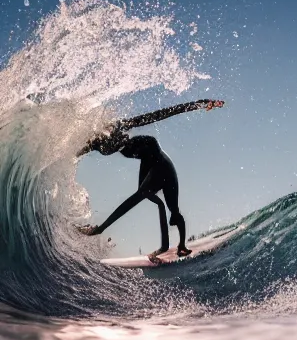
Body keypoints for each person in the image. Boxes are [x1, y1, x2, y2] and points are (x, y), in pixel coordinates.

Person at [77, 99, 225, 262]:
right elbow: (79, 151)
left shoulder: (120, 126)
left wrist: (201, 104)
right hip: (149, 162)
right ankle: (164, 246)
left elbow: (160, 114)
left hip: (161, 162)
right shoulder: (97, 143)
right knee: (150, 198)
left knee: (172, 211)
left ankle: (181, 246)